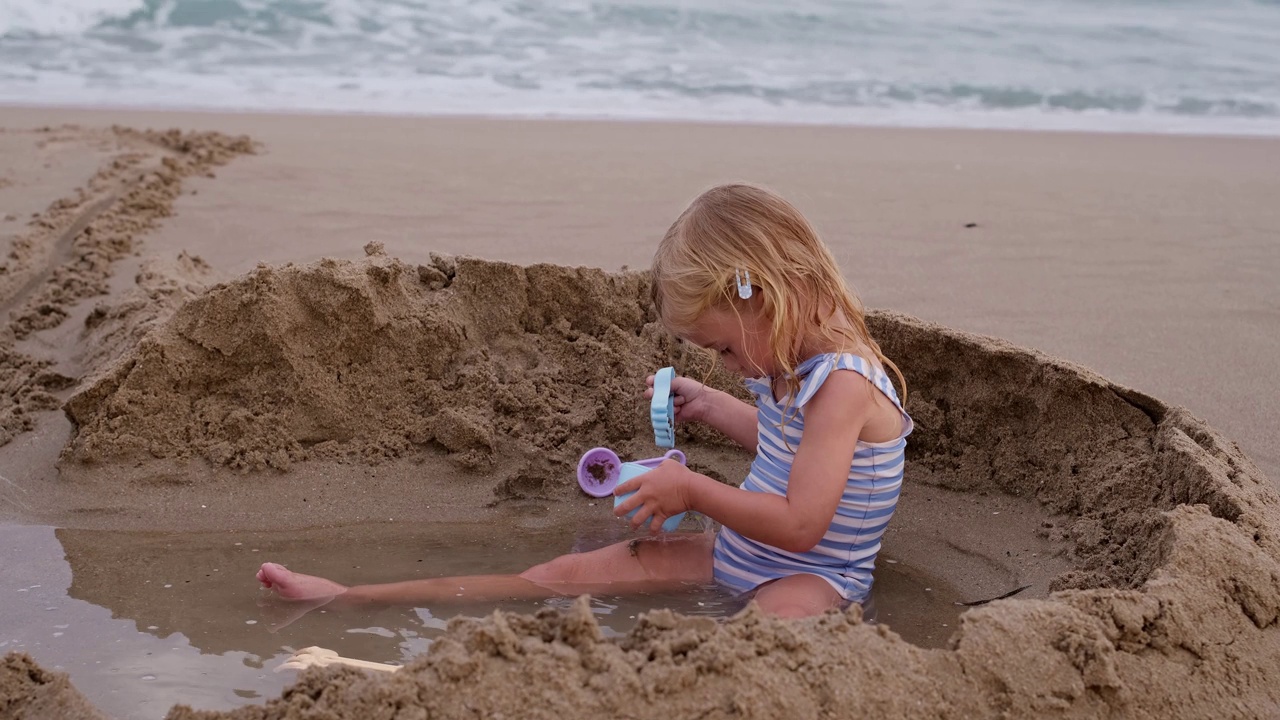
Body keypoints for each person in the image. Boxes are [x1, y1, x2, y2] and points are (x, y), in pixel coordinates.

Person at [257, 183, 912, 619]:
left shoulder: (844, 383)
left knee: (763, 633)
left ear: (767, 296)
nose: (726, 364)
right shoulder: (785, 354)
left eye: (722, 351)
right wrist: (714, 406)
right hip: (739, 553)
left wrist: (694, 492)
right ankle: (352, 597)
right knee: (563, 573)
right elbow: (785, 446)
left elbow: (802, 523)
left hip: (817, 578)